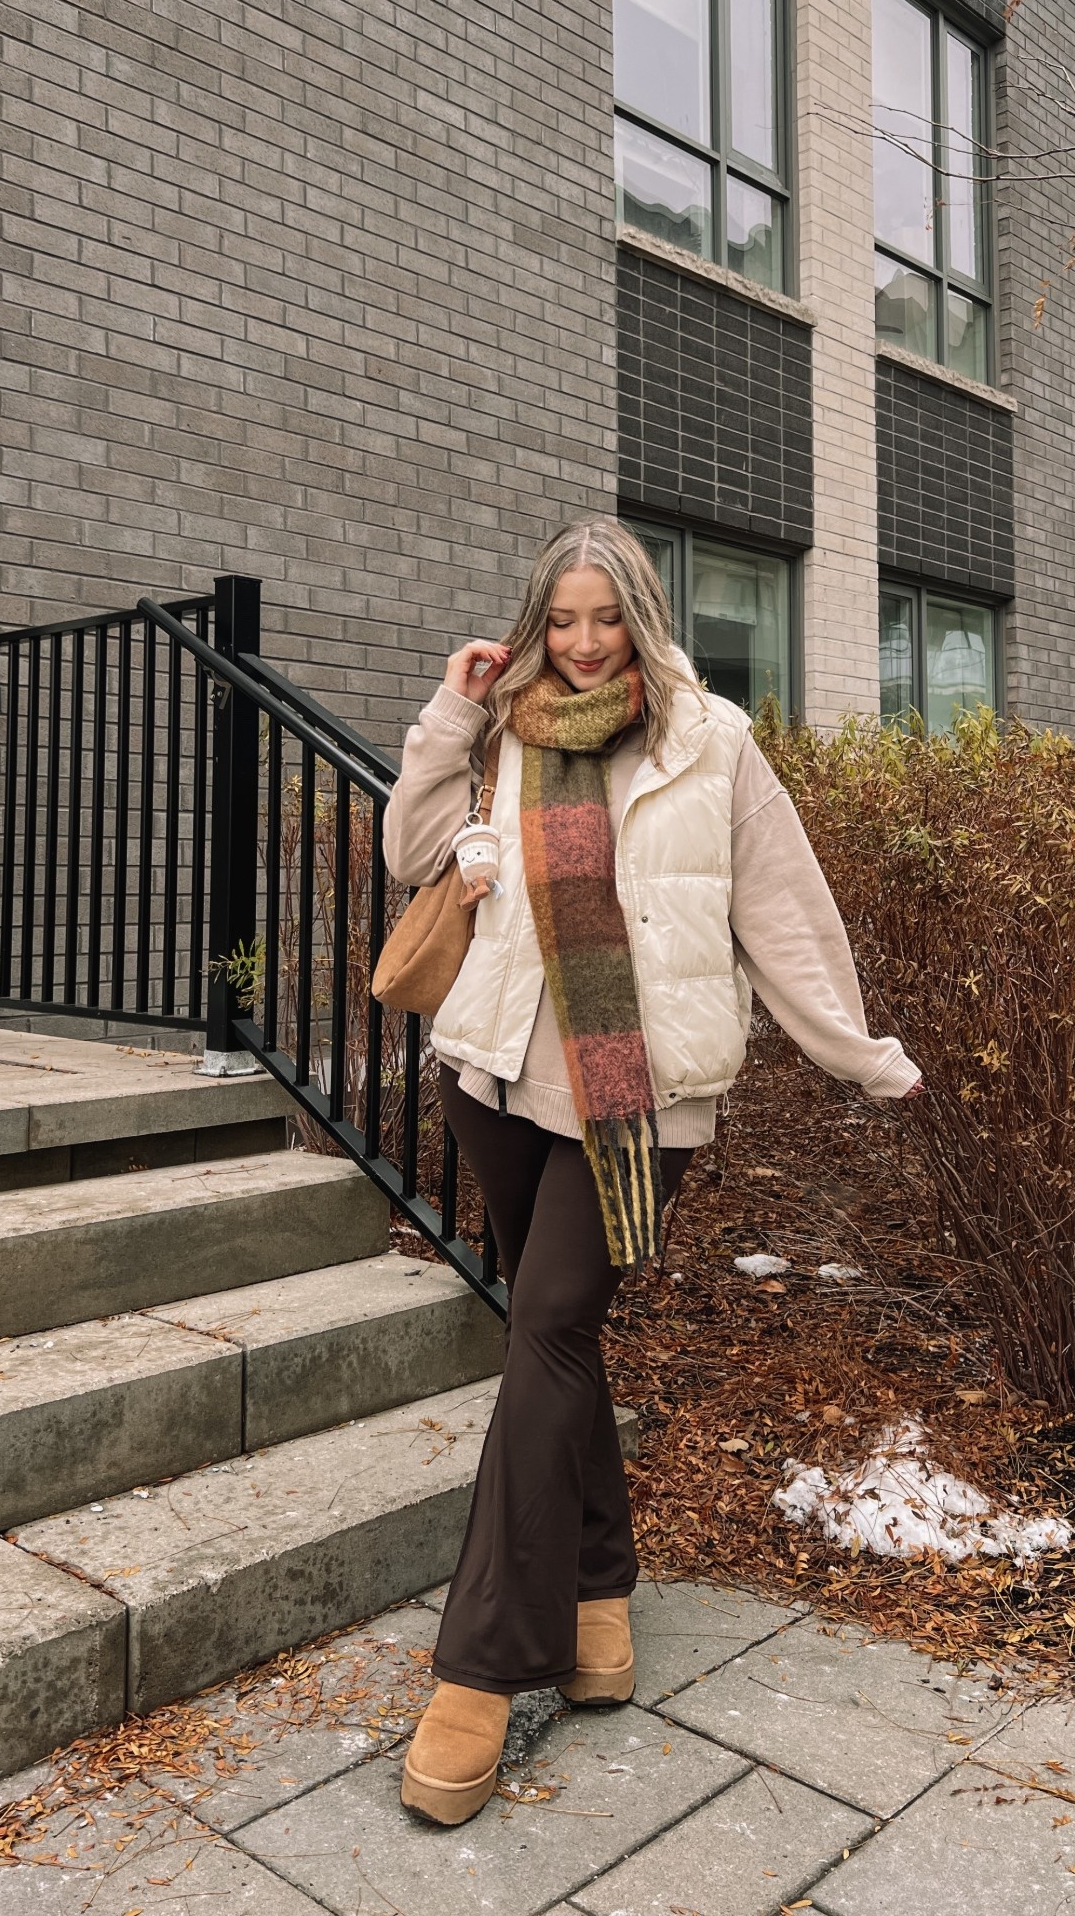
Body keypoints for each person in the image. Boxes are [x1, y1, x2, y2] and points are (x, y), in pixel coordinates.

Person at [382, 516, 921, 1826]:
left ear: (641, 619)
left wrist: (857, 1054)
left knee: (555, 1325)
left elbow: (782, 910)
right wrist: (446, 726)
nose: (577, 646)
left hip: (631, 1097)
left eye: (601, 620)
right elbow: (410, 859)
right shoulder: (503, 733)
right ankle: (603, 1595)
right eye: (556, 622)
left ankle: (483, 1667)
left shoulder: (707, 742)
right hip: (499, 1079)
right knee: (551, 1344)